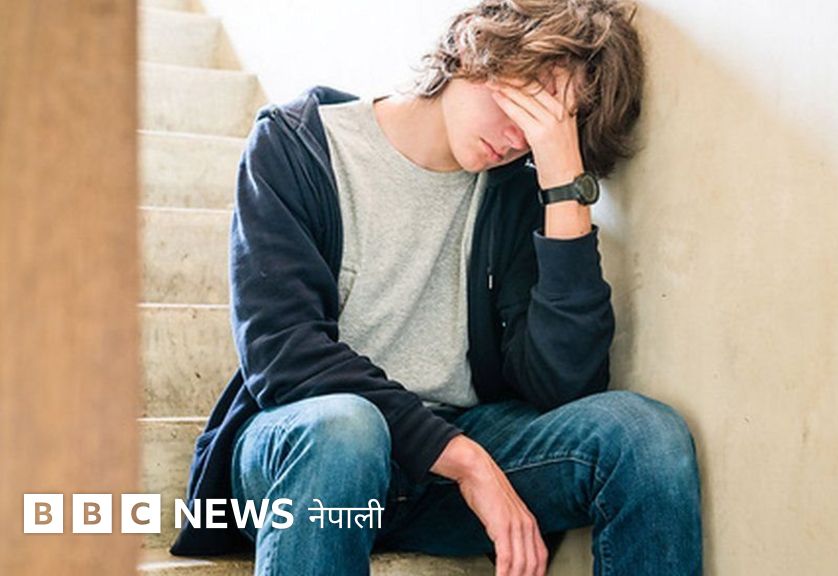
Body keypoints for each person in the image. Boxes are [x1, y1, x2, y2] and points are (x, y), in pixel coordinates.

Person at [168, 0, 703, 574]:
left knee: (644, 434)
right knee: (345, 429)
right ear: (477, 49)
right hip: (312, 460)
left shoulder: (515, 194)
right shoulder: (298, 146)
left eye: (549, 128)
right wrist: (462, 458)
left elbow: (563, 389)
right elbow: (283, 354)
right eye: (528, 104)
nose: (520, 138)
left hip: (443, 472)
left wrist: (562, 184)